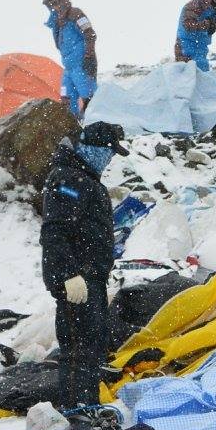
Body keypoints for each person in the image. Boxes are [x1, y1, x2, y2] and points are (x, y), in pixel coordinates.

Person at [41, 121, 130, 408]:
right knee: (78, 350)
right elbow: (55, 231)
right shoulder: (69, 179)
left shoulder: (84, 177)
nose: (109, 160)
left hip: (91, 278)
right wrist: (68, 275)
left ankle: (87, 407)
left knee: (91, 348)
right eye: (108, 152)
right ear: (92, 148)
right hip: (77, 280)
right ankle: (77, 412)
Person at [43, 0, 98, 117]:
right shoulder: (57, 23)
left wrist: (89, 57)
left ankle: (93, 126)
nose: (54, 8)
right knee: (66, 98)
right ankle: (73, 127)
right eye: (52, 5)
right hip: (68, 68)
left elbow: (90, 34)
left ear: (63, 0)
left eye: (56, 3)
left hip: (81, 65)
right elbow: (59, 45)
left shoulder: (75, 14)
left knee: (89, 98)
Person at [174, 0, 216, 71]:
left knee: (202, 75)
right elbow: (188, 24)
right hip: (185, 47)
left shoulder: (214, 10)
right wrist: (208, 24)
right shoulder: (192, 7)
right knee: (187, 77)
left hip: (201, 48)